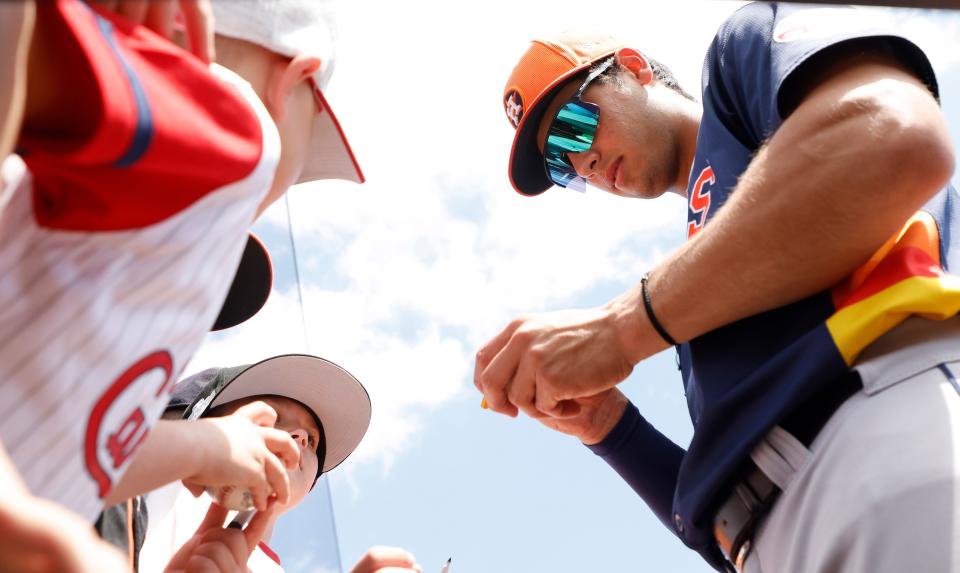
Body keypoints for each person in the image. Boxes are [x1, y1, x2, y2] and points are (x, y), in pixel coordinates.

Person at [476, 4, 959, 572]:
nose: (583, 161)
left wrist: (622, 327)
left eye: (575, 126)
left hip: (876, 444)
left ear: (634, 69)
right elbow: (719, 528)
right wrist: (609, 428)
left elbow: (891, 139)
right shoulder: (696, 282)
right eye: (561, 164)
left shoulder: (738, 55)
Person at [0, 0, 364, 569]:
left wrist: (204, 447)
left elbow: (81, 455)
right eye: (306, 153)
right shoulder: (238, 129)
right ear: (292, 82)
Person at [136, 354, 421, 573]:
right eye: (271, 415)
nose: (298, 437)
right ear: (200, 421)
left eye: (311, 440)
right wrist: (194, 448)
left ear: (311, 485)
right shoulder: (147, 482)